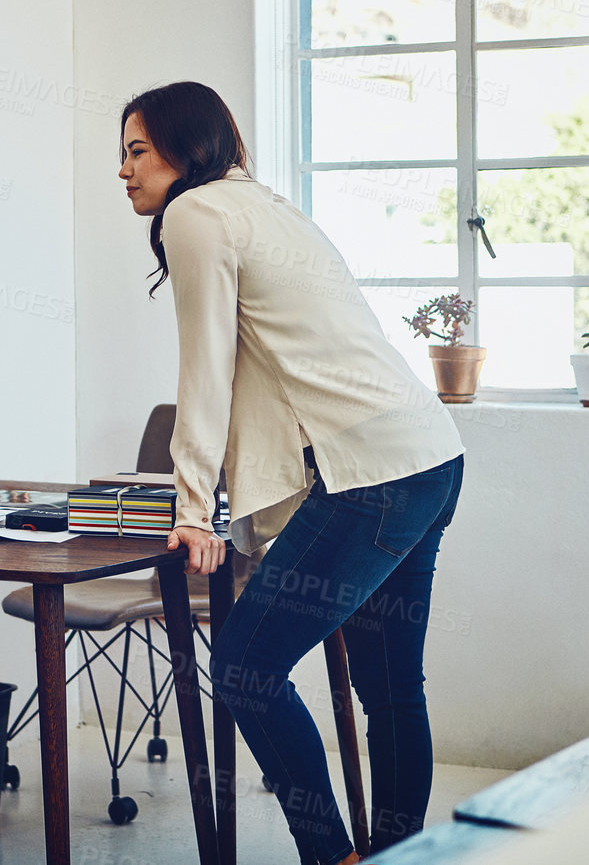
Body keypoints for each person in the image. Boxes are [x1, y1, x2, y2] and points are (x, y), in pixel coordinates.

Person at [118, 82, 466, 864]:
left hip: (373, 472)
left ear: (187, 147)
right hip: (430, 454)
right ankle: (396, 855)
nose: (124, 171)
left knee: (244, 665)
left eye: (137, 150)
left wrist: (193, 508)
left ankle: (332, 856)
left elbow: (203, 372)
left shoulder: (195, 215)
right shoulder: (265, 205)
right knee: (392, 693)